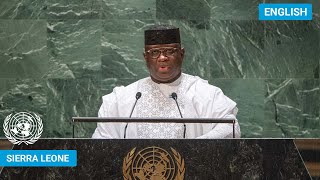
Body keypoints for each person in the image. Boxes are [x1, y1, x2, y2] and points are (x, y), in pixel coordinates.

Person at [92, 24, 240, 139]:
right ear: (145, 57)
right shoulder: (124, 98)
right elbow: (101, 138)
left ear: (181, 54)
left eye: (170, 51)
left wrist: (195, 147)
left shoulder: (206, 93)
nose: (162, 58)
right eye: (155, 52)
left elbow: (230, 129)